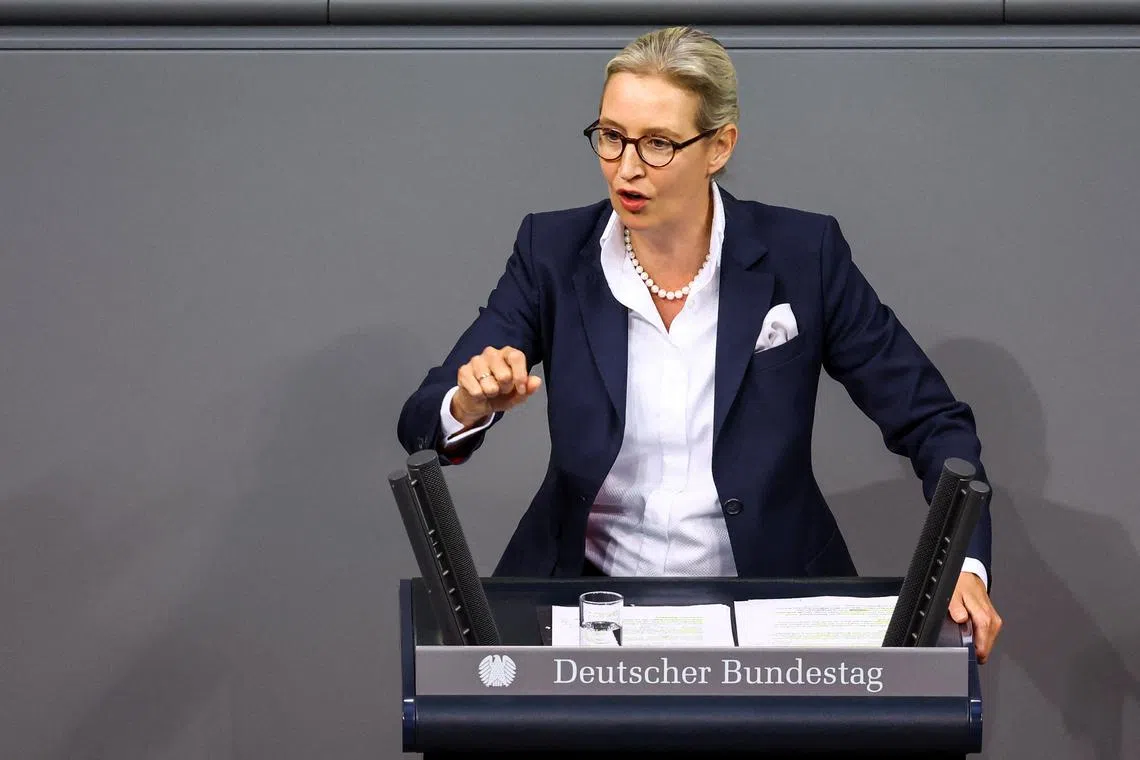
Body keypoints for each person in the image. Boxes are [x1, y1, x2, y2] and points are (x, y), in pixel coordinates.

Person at [398, 26, 1002, 662]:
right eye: (611, 136)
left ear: (719, 146)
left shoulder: (804, 256)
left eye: (658, 144)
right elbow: (421, 422)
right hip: (584, 604)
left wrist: (962, 565)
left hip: (769, 602)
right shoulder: (550, 252)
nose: (627, 167)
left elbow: (932, 421)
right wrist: (467, 403)